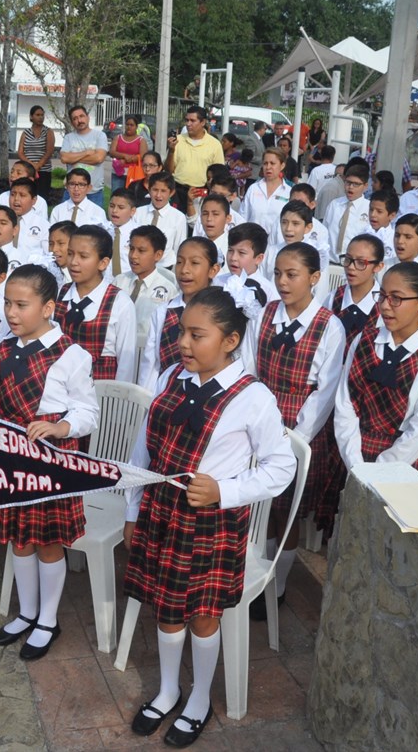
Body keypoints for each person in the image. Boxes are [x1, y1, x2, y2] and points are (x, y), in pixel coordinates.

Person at [123, 286, 295, 747]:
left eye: (197, 335)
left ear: (231, 340)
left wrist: (225, 491)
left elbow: (282, 466)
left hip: (212, 524)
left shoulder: (251, 396)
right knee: (165, 607)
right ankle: (167, 689)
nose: (183, 343)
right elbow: (144, 446)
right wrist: (133, 507)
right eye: (182, 332)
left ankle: (199, 697)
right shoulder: (171, 378)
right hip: (161, 511)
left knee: (202, 615)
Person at [0, 264, 99, 660]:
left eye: (21, 305)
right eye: (7, 304)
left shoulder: (71, 355)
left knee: (48, 542)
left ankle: (48, 618)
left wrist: (61, 427)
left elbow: (88, 411)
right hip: (12, 456)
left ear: (48, 306)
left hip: (50, 462)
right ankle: (26, 612)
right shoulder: (2, 349)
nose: (11, 313)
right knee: (20, 538)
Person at [241, 242, 344, 617]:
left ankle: (278, 585)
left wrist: (293, 437)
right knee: (259, 507)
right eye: (278, 274)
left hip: (301, 429)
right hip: (259, 416)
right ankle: (256, 574)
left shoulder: (329, 327)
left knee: (286, 510)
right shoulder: (265, 315)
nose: (283, 282)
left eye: (292, 275)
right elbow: (249, 369)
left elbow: (326, 391)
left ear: (315, 278)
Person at [332, 262, 418, 526]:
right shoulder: (365, 340)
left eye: (396, 299)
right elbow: (346, 404)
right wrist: (355, 463)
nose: (385, 306)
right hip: (355, 452)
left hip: (402, 464)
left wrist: (379, 470)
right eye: (383, 296)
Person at [55, 224, 137, 382]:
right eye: (71, 254)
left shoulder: (120, 303)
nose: (73, 262)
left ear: (103, 263)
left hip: (100, 394)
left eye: (83, 256)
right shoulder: (60, 293)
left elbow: (126, 363)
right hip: (60, 388)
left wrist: (118, 400)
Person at [139, 237, 220, 391]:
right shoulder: (163, 312)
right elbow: (151, 366)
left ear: (213, 270)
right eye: (180, 262)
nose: (184, 270)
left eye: (194, 263)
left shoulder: (223, 311)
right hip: (169, 394)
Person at [113, 224, 176, 346]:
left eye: (141, 251)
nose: (133, 256)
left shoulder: (168, 290)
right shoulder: (119, 282)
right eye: (131, 248)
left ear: (158, 255)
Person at [326, 233, 385, 346]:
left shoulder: (383, 305)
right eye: (348, 259)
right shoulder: (334, 297)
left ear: (378, 266)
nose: (351, 267)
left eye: (361, 262)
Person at [166, 106, 225, 205]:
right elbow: (168, 170)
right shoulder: (178, 140)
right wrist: (171, 151)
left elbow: (219, 173)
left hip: (201, 192)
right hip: (177, 190)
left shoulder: (214, 144)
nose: (188, 124)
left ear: (203, 122)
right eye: (187, 120)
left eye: (193, 121)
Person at [216, 222, 279, 306]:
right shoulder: (217, 282)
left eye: (241, 253)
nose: (233, 258)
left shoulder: (269, 294)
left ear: (258, 258)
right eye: (230, 250)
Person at [133, 172, 187, 268]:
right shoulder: (138, 213)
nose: (158, 195)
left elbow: (179, 248)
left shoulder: (178, 217)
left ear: (171, 193)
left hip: (165, 267)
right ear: (149, 190)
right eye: (155, 190)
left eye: (163, 191)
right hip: (140, 266)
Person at [59, 106, 108, 207]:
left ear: (88, 117)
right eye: (75, 118)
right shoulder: (69, 138)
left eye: (81, 116)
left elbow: (99, 158)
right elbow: (64, 158)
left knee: (93, 223)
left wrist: (73, 158)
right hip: (71, 191)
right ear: (72, 122)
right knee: (66, 222)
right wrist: (86, 153)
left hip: (94, 192)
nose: (79, 120)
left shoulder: (100, 136)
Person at [241, 147, 293, 243]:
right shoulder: (253, 189)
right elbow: (243, 217)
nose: (268, 167)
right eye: (265, 163)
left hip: (278, 245)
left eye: (272, 163)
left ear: (282, 166)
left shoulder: (289, 192)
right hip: (252, 243)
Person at [324, 162, 372, 258]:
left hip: (354, 264)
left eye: (356, 184)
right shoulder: (334, 205)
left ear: (365, 186)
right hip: (330, 261)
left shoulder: (369, 208)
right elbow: (325, 232)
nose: (350, 187)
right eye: (348, 182)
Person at [17, 105, 56, 202]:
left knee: (42, 198)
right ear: (31, 117)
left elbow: (49, 151)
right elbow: (20, 152)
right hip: (28, 171)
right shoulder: (25, 133)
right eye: (38, 115)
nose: (41, 117)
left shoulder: (48, 131)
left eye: (42, 115)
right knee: (27, 196)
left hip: (44, 171)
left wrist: (38, 166)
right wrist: (32, 166)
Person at [111, 115, 148, 190]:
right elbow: (112, 152)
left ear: (136, 127)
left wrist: (127, 160)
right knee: (117, 195)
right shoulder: (118, 138)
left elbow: (143, 156)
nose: (129, 127)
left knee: (132, 198)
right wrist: (124, 155)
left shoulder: (141, 140)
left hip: (134, 174)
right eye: (127, 124)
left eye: (132, 125)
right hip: (118, 173)